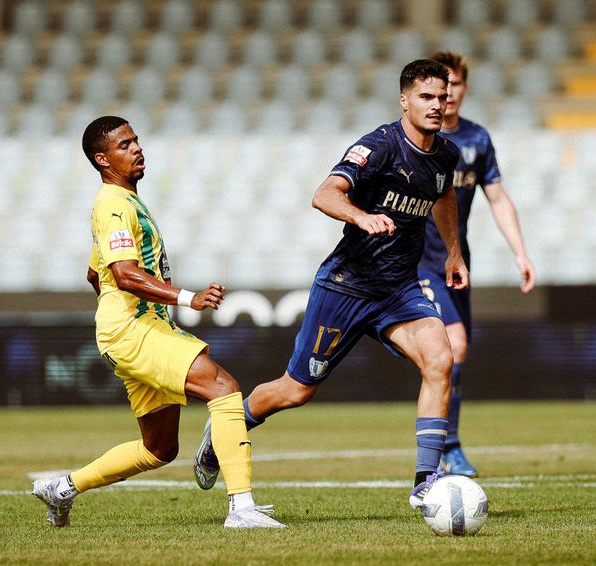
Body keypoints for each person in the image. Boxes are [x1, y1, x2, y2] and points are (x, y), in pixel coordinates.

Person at [193, 60, 469, 508]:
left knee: (440, 359)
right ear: (404, 100)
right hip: (347, 286)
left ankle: (426, 481)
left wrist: (454, 251)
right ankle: (225, 428)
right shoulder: (379, 146)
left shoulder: (445, 155)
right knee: (296, 391)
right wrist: (362, 217)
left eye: (442, 96)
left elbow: (444, 194)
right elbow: (324, 194)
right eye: (426, 97)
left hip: (399, 289)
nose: (437, 105)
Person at [31, 116, 286, 529]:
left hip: (129, 329)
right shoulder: (113, 204)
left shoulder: (124, 203)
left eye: (136, 140)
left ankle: (62, 488)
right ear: (102, 159)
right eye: (124, 144)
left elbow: (96, 274)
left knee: (159, 448)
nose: (137, 148)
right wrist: (188, 299)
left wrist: (117, 313)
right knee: (223, 388)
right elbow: (125, 274)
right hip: (133, 330)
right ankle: (242, 509)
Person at [419, 51, 536, 477]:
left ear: (464, 88)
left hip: (456, 261)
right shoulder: (417, 138)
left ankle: (440, 445)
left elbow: (498, 198)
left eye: (454, 84)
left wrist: (520, 252)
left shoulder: (476, 140)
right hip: (418, 261)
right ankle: (447, 447)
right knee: (455, 345)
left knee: (451, 354)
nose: (447, 93)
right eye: (440, 86)